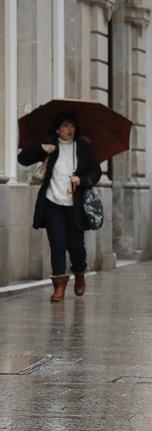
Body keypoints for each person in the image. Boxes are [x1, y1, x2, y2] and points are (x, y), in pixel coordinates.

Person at [17, 112, 101, 302]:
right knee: (58, 244)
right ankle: (59, 287)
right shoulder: (50, 146)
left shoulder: (83, 148)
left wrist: (83, 179)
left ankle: (79, 273)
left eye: (72, 125)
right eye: (64, 125)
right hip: (53, 203)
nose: (69, 129)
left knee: (76, 247)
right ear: (57, 128)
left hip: (75, 206)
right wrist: (41, 149)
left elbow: (96, 172)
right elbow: (22, 159)